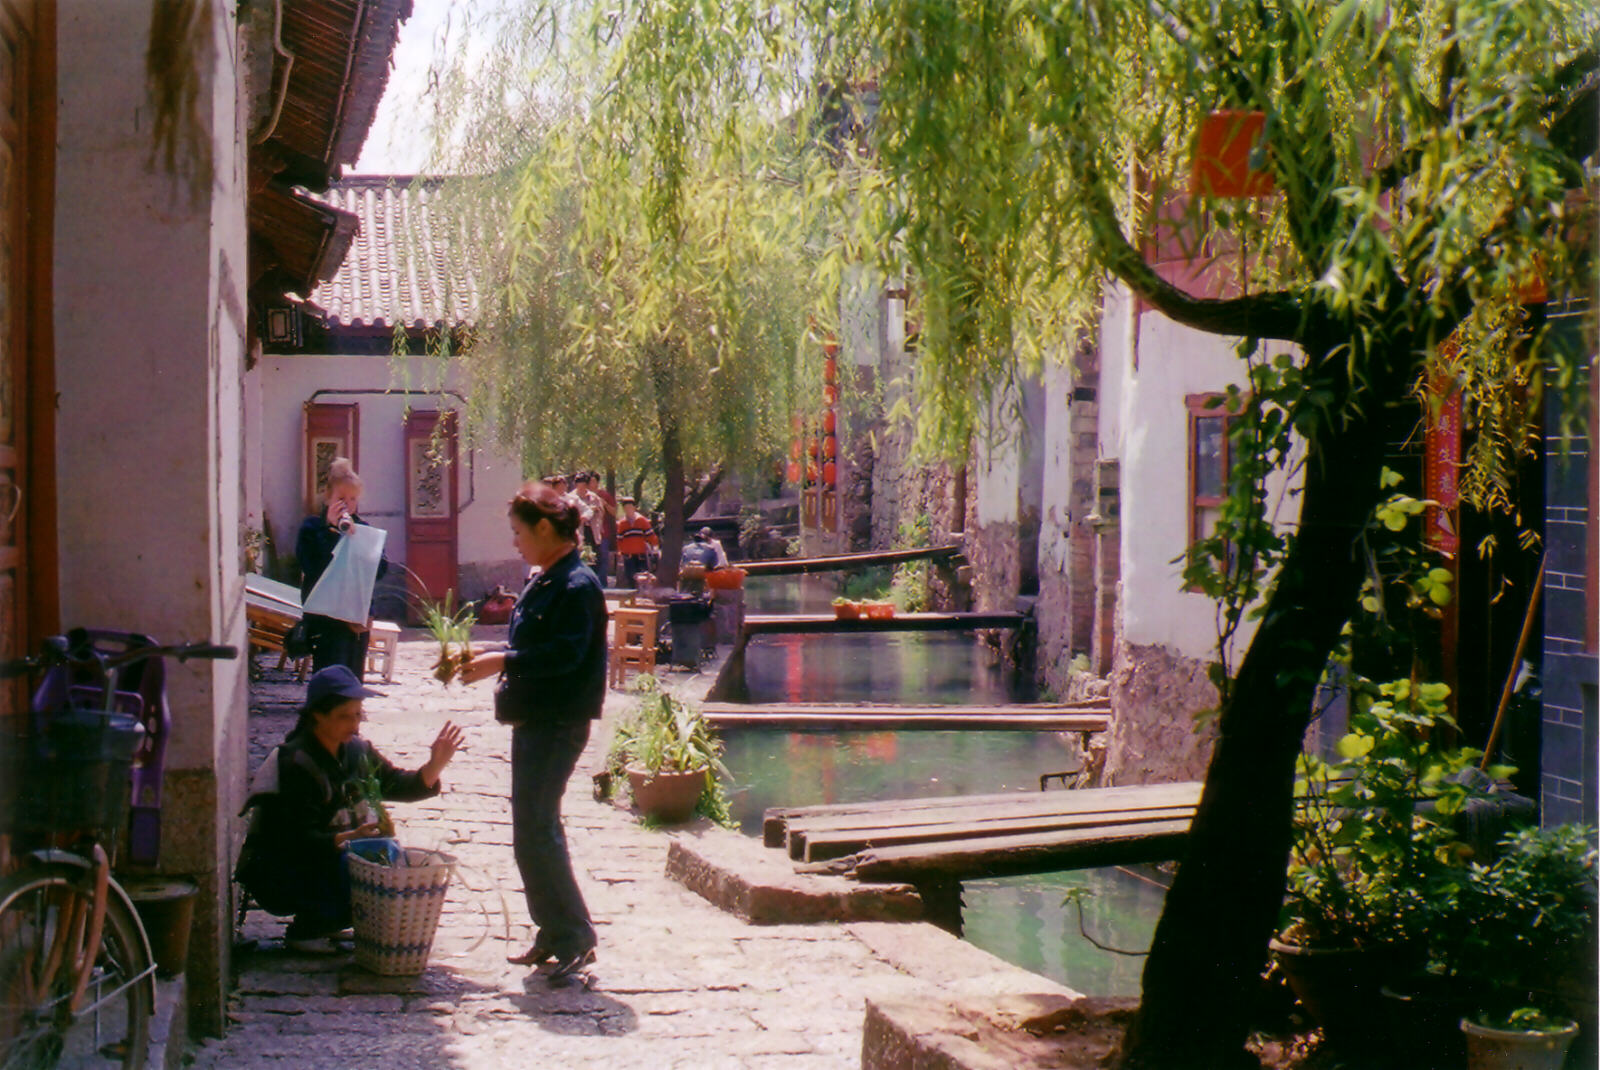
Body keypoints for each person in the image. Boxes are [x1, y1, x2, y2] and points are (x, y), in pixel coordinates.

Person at [460, 486, 606, 986]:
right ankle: (552, 930)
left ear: (545, 529)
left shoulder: (577, 585)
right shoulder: (546, 581)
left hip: (559, 722)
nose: (516, 543)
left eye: (520, 533)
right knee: (530, 830)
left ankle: (574, 936)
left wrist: (502, 661)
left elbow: (565, 656)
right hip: (535, 720)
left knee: (539, 828)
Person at [235, 666, 463, 953]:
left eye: (358, 714)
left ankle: (330, 920)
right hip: (283, 873)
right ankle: (308, 929)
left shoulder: (357, 751)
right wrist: (350, 837)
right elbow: (293, 840)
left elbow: (395, 783)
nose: (355, 725)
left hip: (330, 860)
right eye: (345, 716)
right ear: (317, 715)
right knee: (359, 867)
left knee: (387, 862)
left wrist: (435, 765)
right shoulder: (295, 763)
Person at [296, 458, 389, 677]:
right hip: (325, 618)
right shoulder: (311, 528)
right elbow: (310, 566)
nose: (347, 504)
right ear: (328, 498)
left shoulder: (364, 530)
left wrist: (361, 542)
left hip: (355, 619)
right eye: (341, 498)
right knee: (328, 678)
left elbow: (380, 570)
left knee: (352, 678)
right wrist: (329, 531)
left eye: (353, 499)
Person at [615, 497, 658, 588]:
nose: (628, 510)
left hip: (640, 554)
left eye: (630, 507)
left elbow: (650, 536)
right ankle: (633, 597)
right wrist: (620, 553)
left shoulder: (642, 521)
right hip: (628, 555)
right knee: (630, 577)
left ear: (635, 507)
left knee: (643, 576)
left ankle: (643, 596)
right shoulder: (622, 523)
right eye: (626, 508)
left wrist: (655, 548)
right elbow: (619, 540)